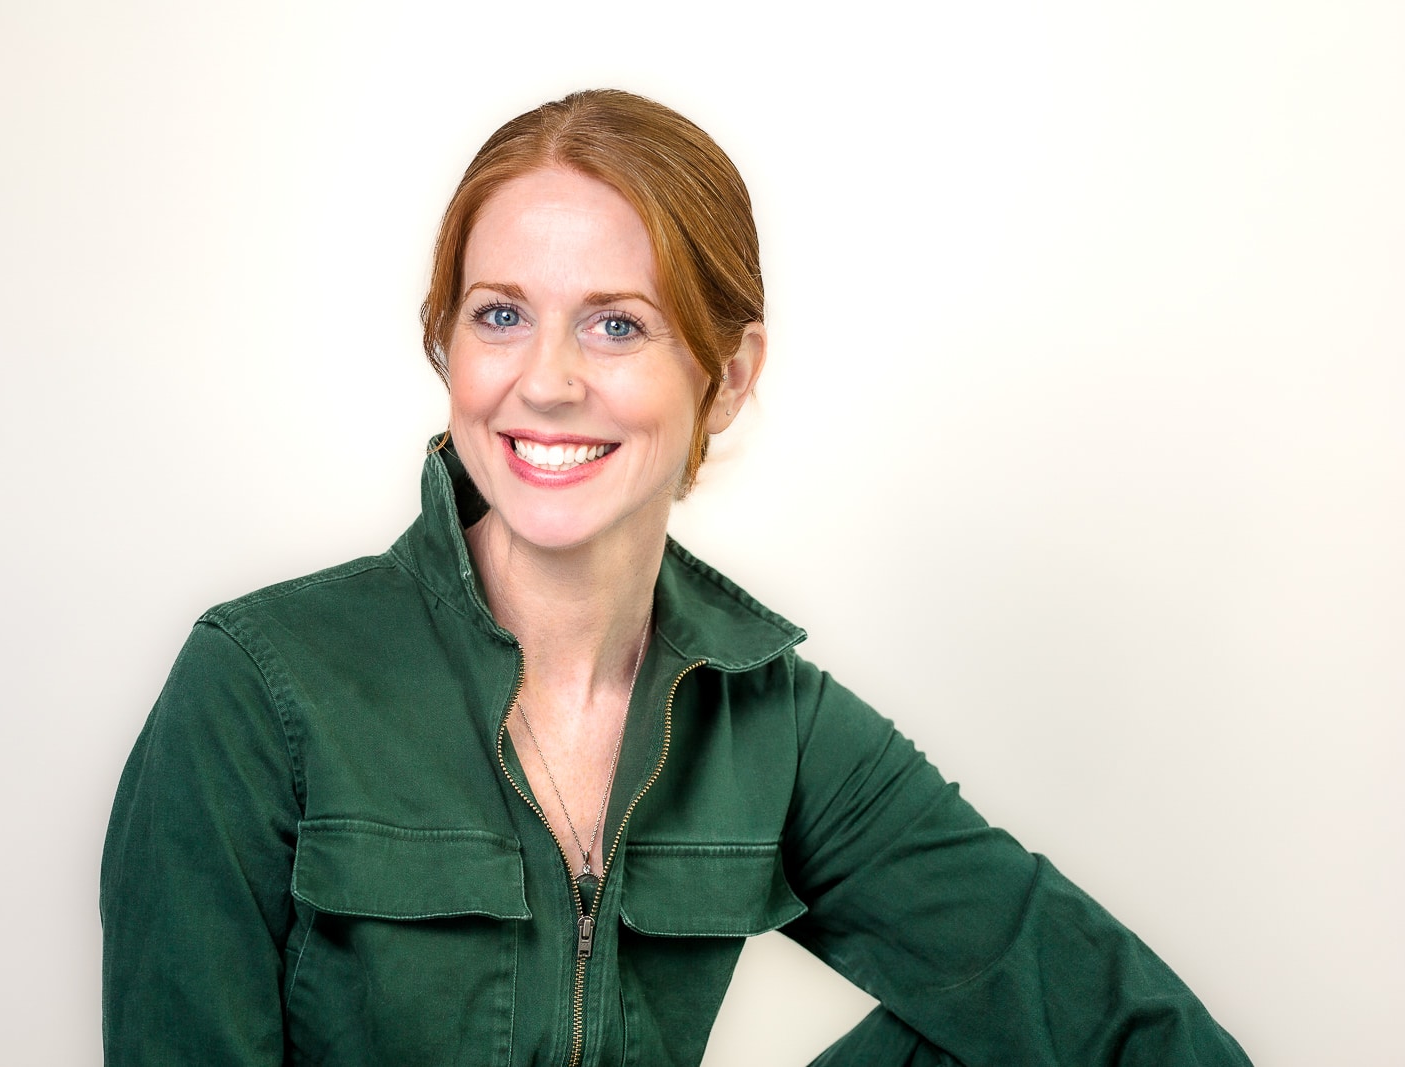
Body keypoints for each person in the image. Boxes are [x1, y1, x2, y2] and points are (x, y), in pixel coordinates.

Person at [101, 89, 1252, 1066]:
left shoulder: (775, 722)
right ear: (447, 343)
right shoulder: (260, 687)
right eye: (500, 314)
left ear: (727, 374)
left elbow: (1112, 1016)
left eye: (616, 325)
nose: (544, 382)